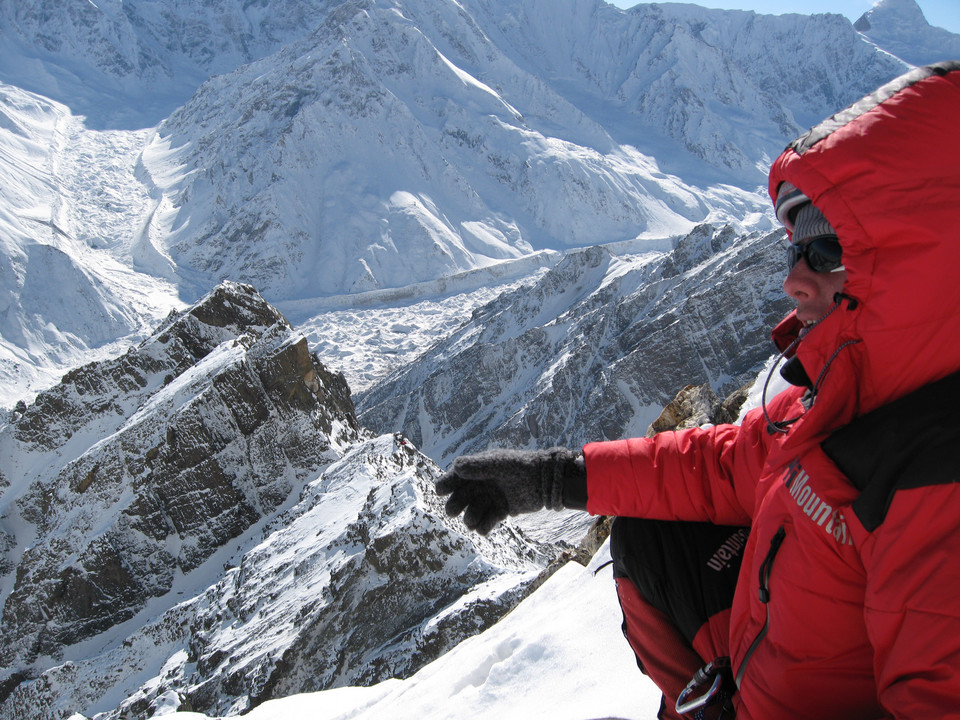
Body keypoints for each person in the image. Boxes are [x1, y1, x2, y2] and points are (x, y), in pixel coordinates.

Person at [435, 60, 960, 719]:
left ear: (928, 259)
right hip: (768, 655)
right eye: (794, 248)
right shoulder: (847, 393)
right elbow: (724, 466)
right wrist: (550, 479)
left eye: (827, 250)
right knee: (650, 531)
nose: (795, 280)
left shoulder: (936, 481)